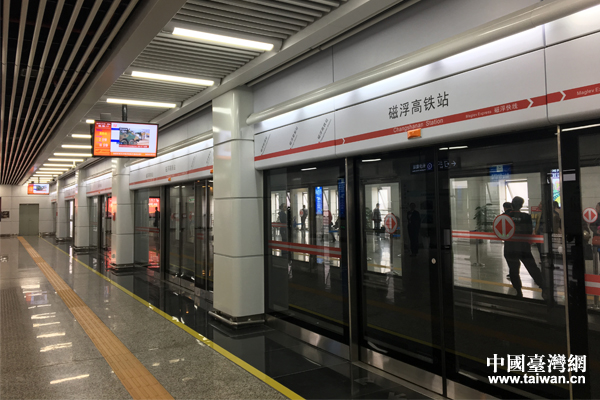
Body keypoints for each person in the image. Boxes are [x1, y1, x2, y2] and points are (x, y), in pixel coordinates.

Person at [505, 196, 546, 298]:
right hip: (523, 247)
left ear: (512, 204)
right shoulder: (526, 217)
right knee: (532, 268)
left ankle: (518, 291)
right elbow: (529, 231)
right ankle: (543, 287)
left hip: (510, 247)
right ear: (521, 205)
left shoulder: (506, 216)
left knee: (513, 270)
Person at [502, 202, 512, 280]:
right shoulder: (519, 214)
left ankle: (512, 273)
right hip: (520, 239)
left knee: (509, 256)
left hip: (508, 239)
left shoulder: (504, 215)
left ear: (504, 208)